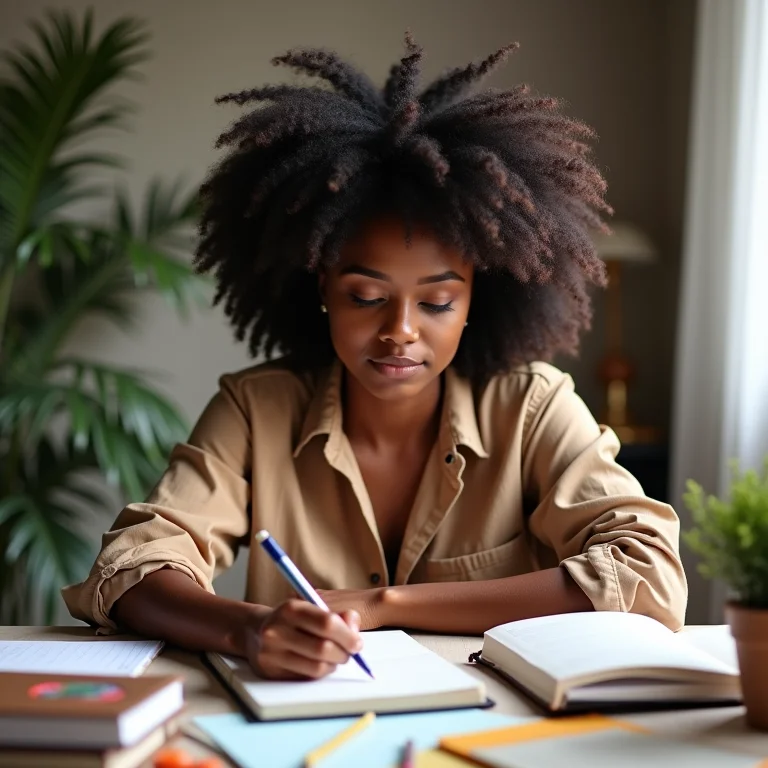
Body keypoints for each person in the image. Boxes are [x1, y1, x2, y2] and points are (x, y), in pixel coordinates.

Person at [63, 35, 687, 681]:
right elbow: (131, 566)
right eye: (366, 296)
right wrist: (249, 628)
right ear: (321, 290)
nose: (400, 331)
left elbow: (647, 576)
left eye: (438, 302)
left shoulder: (531, 407)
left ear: (480, 299)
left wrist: (382, 605)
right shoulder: (258, 410)